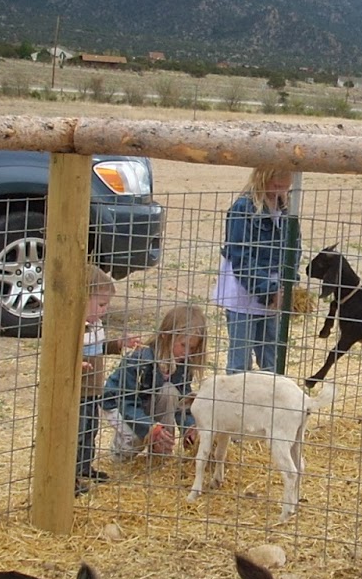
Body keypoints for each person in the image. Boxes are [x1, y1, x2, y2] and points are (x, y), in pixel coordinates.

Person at [213, 166, 299, 374]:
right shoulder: (243, 208)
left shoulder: (285, 209)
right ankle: (236, 404)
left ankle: (270, 403)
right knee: (240, 362)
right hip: (246, 292)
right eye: (277, 186)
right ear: (263, 178)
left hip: (274, 290)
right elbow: (241, 257)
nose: (281, 192)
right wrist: (268, 290)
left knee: (271, 358)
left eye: (285, 188)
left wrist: (289, 282)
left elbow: (294, 247)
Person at [102, 303, 208, 461]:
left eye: (192, 349)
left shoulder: (182, 364)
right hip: (119, 403)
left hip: (148, 402)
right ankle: (119, 453)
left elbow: (182, 401)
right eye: (183, 345)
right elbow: (127, 401)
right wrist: (149, 427)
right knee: (137, 438)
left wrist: (189, 427)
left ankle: (161, 453)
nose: (187, 353)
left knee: (170, 392)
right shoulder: (140, 359)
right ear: (165, 336)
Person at [77, 263, 136, 493]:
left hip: (94, 391)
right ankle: (70, 475)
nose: (104, 310)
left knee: (90, 430)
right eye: (101, 305)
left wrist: (119, 344)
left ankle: (84, 466)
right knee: (78, 432)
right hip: (78, 392)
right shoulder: (75, 327)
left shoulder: (96, 325)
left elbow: (100, 347)